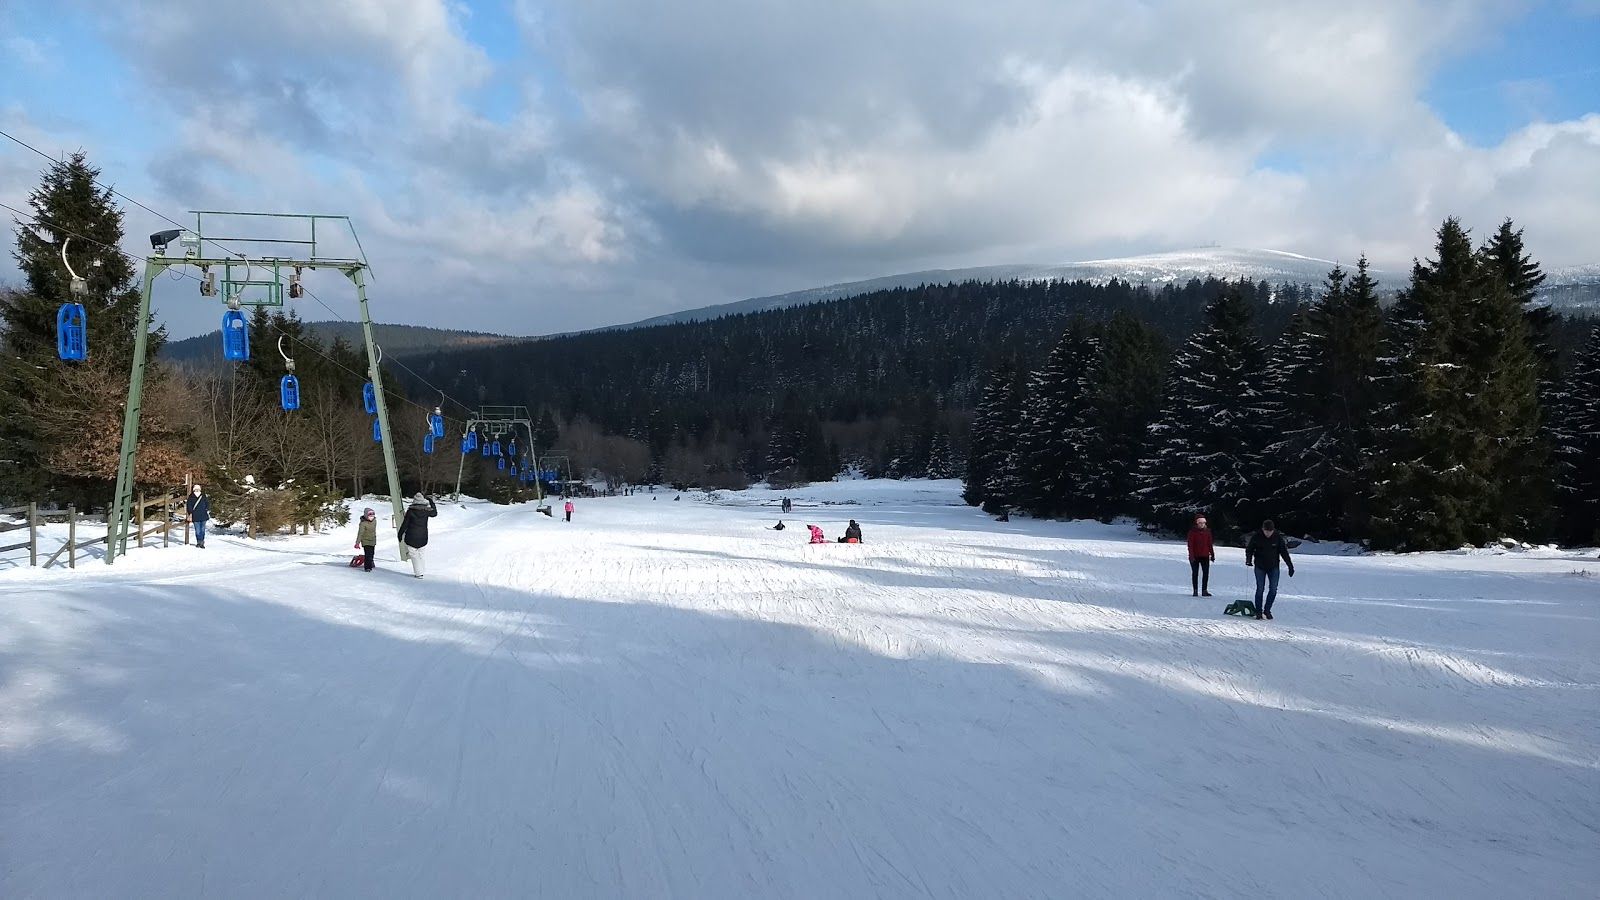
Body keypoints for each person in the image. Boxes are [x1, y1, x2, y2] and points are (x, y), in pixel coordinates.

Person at [1244, 518, 1294, 620]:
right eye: (1266, 531)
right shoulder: (1257, 537)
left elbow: (1284, 552)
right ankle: (1258, 611)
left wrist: (1290, 566)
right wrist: (1248, 559)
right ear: (1263, 529)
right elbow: (1249, 549)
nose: (1268, 533)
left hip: (1273, 567)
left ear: (1273, 530)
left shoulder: (1277, 538)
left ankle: (1267, 610)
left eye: (1270, 531)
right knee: (1260, 589)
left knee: (1273, 589)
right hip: (1260, 567)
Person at [396, 493, 438, 578]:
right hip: (423, 536)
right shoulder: (426, 510)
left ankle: (419, 573)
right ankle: (422, 570)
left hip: (411, 537)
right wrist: (431, 502)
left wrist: (400, 534)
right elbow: (434, 513)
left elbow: (405, 524)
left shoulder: (410, 511)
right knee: (421, 554)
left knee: (414, 556)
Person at [1187, 514, 1216, 597]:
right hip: (1195, 556)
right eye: (1200, 523)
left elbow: (1209, 544)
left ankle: (1204, 590)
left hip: (1205, 555)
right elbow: (1190, 545)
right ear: (1197, 523)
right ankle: (1195, 590)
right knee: (1195, 573)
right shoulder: (1192, 532)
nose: (1202, 524)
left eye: (1203, 522)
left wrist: (1212, 554)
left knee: (1206, 573)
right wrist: (1191, 556)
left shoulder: (1208, 531)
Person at [185, 483, 211, 549]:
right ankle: (201, 542)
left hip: (196, 516)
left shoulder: (191, 497)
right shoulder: (203, 496)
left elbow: (189, 506)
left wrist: (191, 512)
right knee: (201, 530)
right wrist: (206, 509)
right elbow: (207, 504)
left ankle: (199, 542)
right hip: (202, 515)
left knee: (198, 530)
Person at [355, 507, 378, 572]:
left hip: (372, 540)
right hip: (365, 540)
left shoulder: (374, 521)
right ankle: (367, 567)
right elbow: (360, 533)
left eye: (372, 516)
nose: (371, 517)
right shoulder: (363, 523)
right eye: (370, 516)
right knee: (368, 554)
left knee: (372, 553)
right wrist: (357, 543)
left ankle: (370, 563)